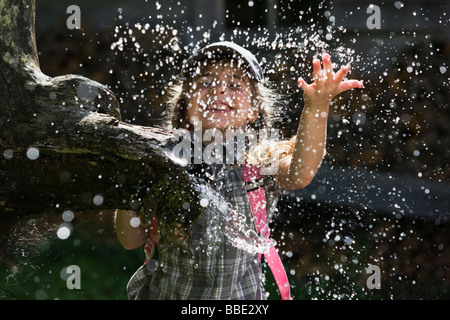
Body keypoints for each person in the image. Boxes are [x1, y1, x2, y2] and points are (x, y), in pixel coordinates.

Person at [114, 41, 363, 300]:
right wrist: (135, 179)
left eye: (234, 84)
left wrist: (316, 108)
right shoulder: (165, 159)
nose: (220, 90)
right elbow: (130, 239)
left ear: (255, 109)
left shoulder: (258, 160)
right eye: (205, 82)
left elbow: (300, 174)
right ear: (185, 103)